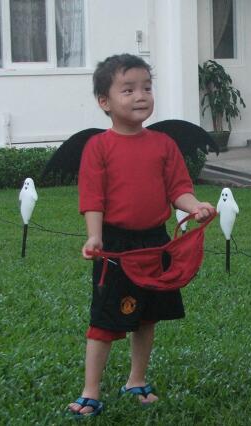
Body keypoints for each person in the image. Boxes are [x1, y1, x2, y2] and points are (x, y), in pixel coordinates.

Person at [67, 53, 215, 418]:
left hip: (155, 241)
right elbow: (93, 198)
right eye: (128, 89)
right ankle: (90, 390)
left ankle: (136, 379)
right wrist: (94, 237)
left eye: (147, 88)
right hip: (115, 246)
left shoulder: (163, 144)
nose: (141, 96)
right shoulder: (98, 147)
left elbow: (178, 188)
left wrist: (194, 206)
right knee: (104, 320)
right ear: (104, 101)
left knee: (147, 316)